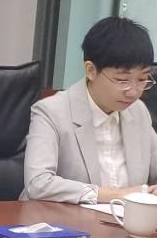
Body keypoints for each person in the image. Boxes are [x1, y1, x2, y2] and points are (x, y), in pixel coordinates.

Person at [23, 16, 157, 204]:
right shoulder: (51, 112)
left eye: (142, 79)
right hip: (62, 219)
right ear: (91, 70)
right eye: (122, 80)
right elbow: (38, 183)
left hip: (126, 219)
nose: (134, 92)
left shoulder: (137, 111)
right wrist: (116, 195)